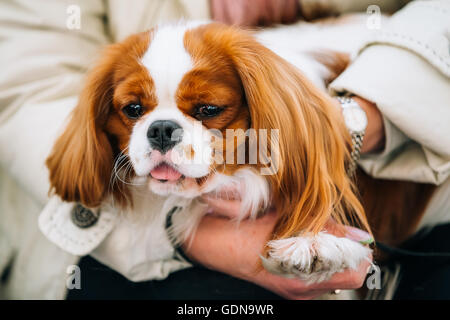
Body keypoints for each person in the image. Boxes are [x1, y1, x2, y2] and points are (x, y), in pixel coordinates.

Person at [0, 0, 448, 300]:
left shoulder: (276, 92)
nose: (160, 131)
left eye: (208, 109)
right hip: (112, 253)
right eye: (135, 109)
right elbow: (26, 88)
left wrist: (359, 118)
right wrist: (188, 238)